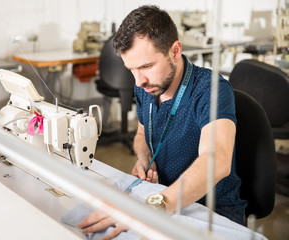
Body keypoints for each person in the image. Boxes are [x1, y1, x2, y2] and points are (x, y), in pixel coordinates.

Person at [78, 5, 247, 239]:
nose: (138, 81)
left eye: (146, 66)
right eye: (132, 70)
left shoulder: (210, 90)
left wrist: (151, 209)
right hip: (162, 197)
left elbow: (216, 160)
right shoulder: (148, 88)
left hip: (213, 210)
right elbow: (141, 135)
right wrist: (144, 157)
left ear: (175, 50)